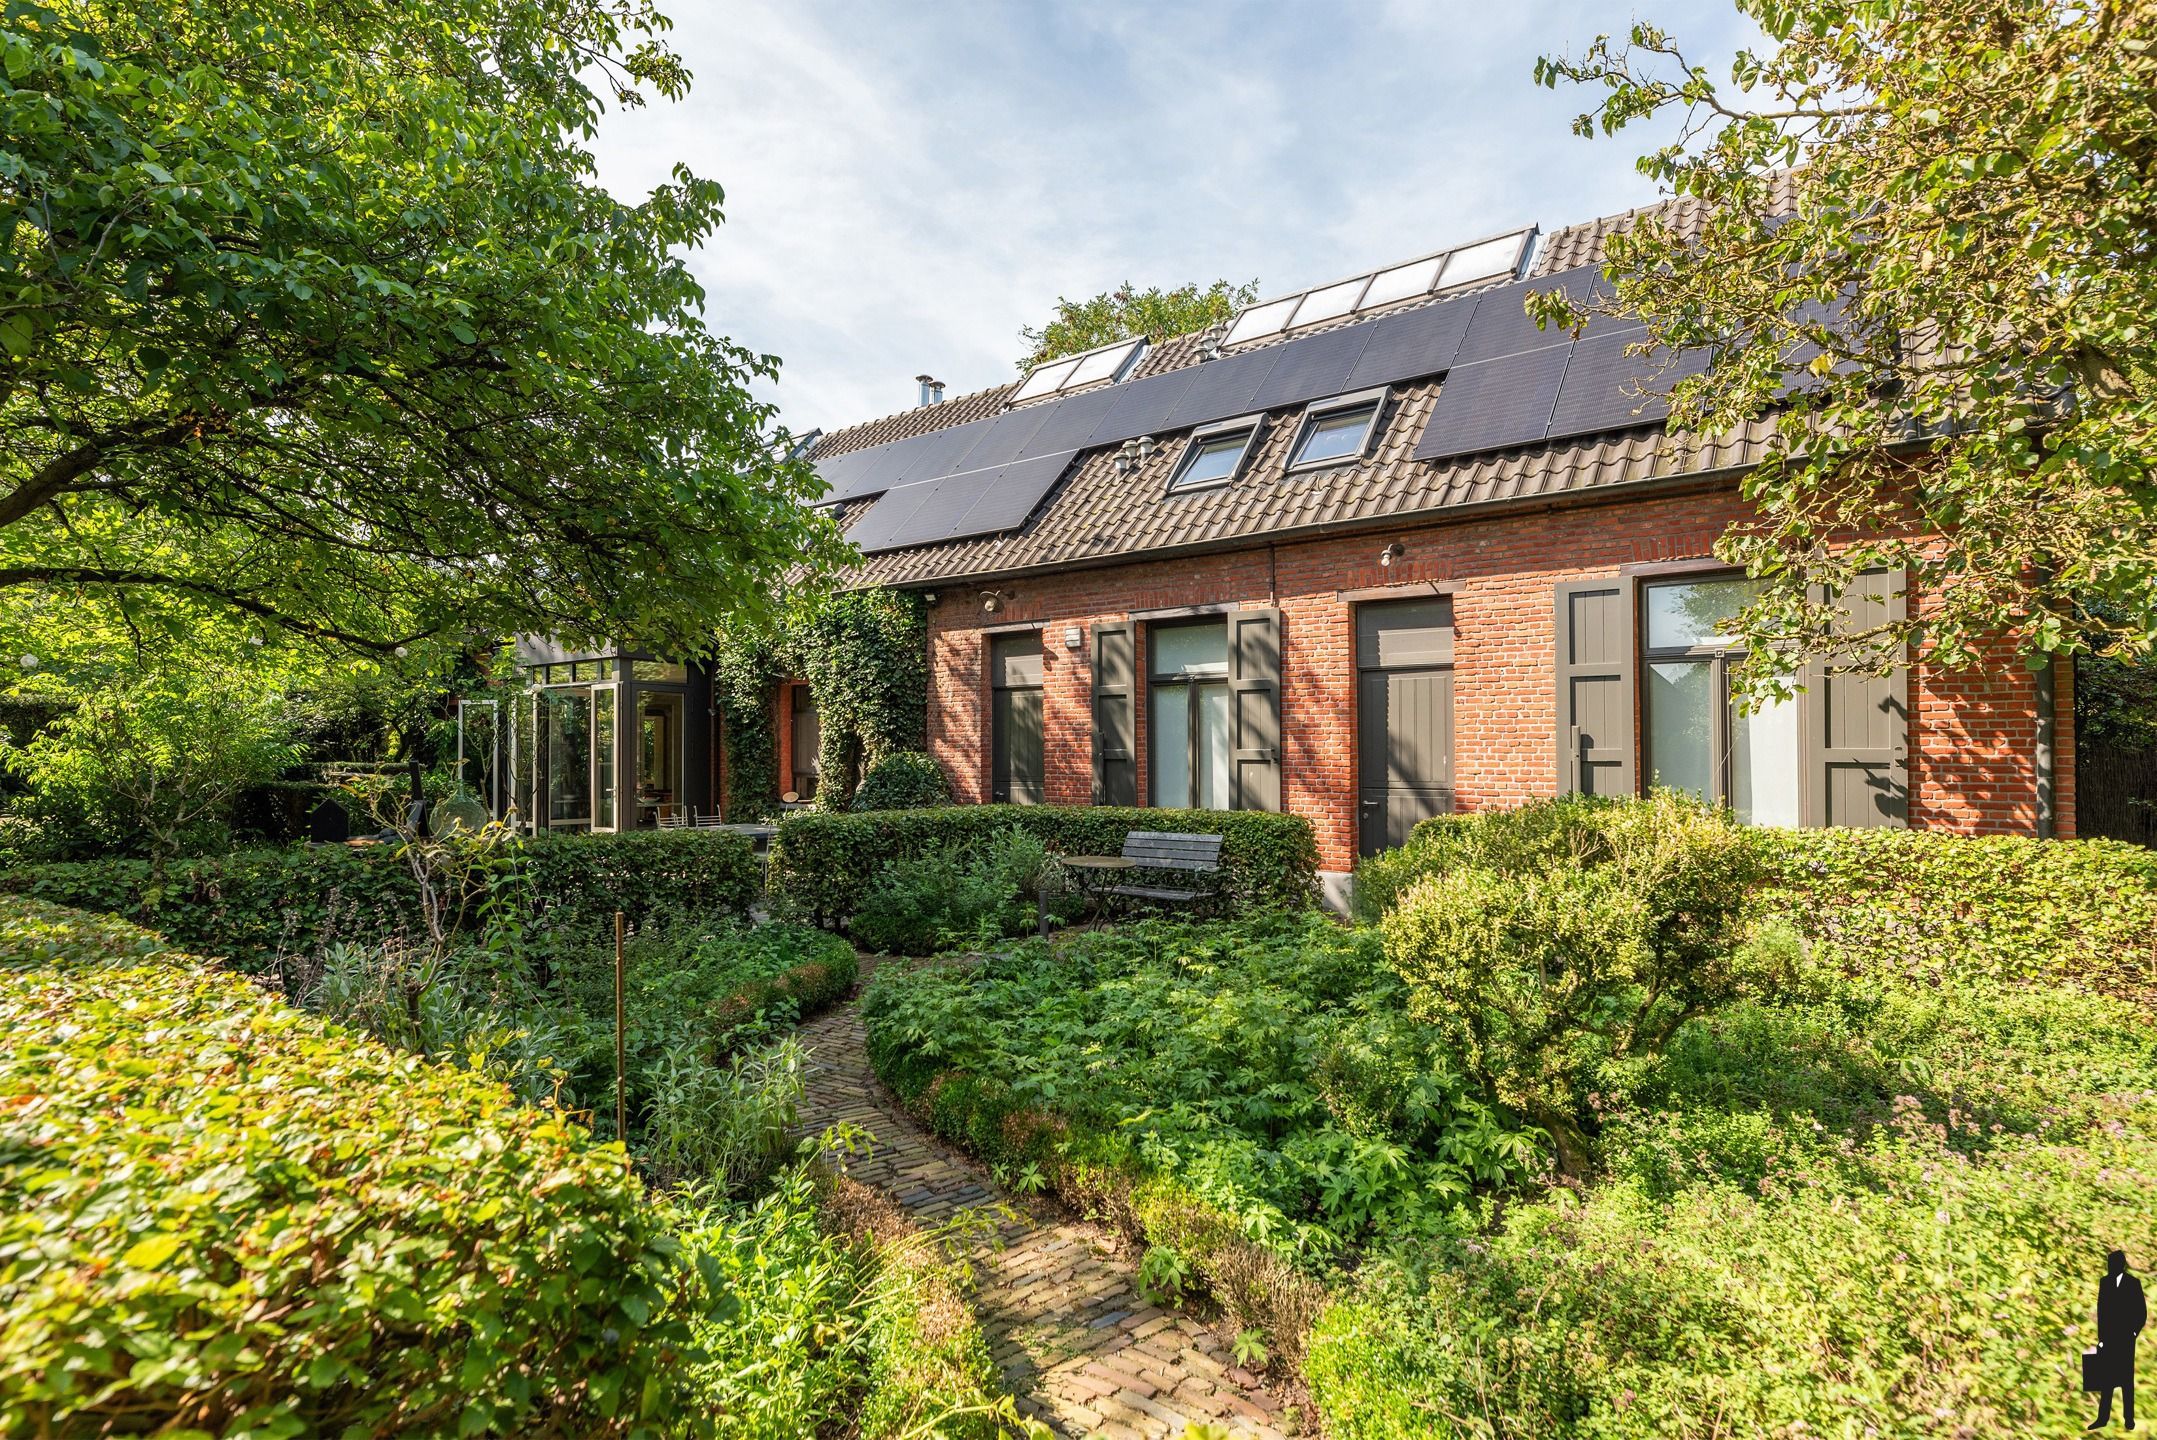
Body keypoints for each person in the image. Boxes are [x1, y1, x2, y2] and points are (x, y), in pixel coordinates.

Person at [2093, 1250, 2146, 1430]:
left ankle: (2128, 1419)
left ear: (2121, 1264)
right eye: (2109, 1263)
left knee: (2126, 1380)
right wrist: (2101, 1338)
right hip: (2108, 1339)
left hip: (2125, 1339)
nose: (2110, 1266)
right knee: (2106, 1379)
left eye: (2113, 1263)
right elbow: (2101, 1312)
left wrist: (2133, 1333)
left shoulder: (2133, 1283)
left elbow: (2141, 1312)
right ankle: (2103, 1418)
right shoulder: (2105, 1282)